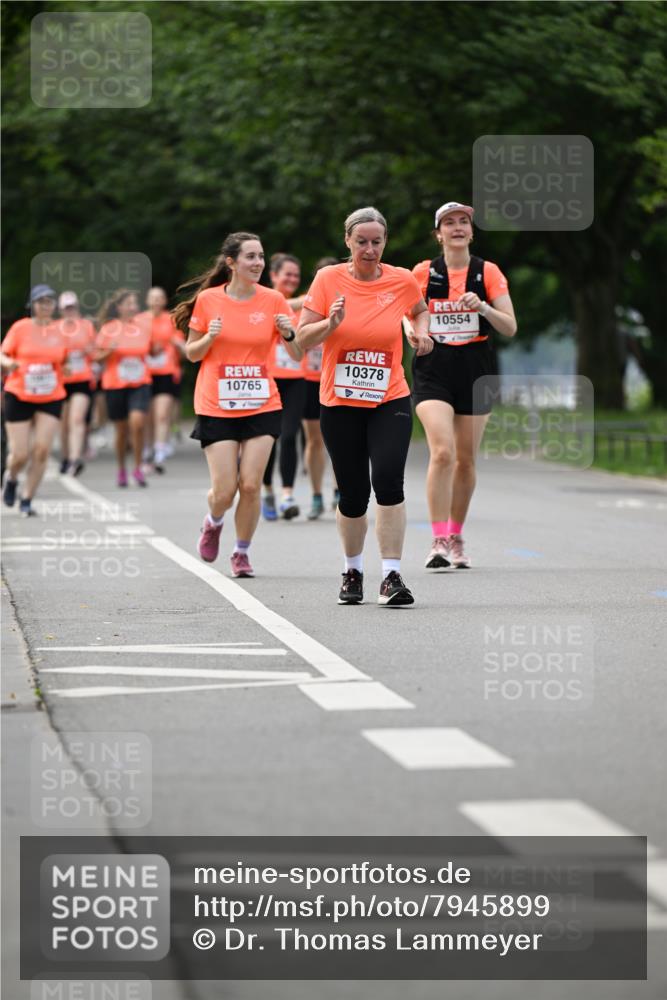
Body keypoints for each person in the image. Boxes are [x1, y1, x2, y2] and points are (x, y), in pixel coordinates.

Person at [297, 207, 433, 607]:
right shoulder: (327, 279)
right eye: (362, 242)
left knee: (389, 482)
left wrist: (422, 335)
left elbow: (419, 311)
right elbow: (303, 339)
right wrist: (330, 324)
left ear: (385, 242)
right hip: (339, 401)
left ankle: (391, 576)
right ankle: (352, 570)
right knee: (354, 493)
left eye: (376, 242)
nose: (369, 249)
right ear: (348, 242)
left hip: (389, 396)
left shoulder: (402, 279)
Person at [173, 232, 301, 578]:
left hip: (262, 401)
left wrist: (289, 333)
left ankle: (241, 553)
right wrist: (210, 337)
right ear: (231, 263)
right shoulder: (210, 300)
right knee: (225, 490)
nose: (258, 262)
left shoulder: (274, 300)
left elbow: (298, 354)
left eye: (261, 256)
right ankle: (213, 521)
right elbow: (192, 353)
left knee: (250, 485)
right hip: (217, 404)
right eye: (250, 257)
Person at [411, 201, 517, 570]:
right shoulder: (424, 272)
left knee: (466, 460)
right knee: (442, 452)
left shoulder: (487, 272)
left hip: (475, 367)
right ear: (438, 233)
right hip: (433, 367)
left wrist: (484, 308)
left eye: (463, 222)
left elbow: (510, 326)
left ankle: (456, 534)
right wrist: (415, 333)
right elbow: (405, 317)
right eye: (449, 223)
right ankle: (438, 539)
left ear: (472, 232)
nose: (457, 227)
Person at [1, 284, 66, 516]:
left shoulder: (60, 331)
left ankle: (27, 497)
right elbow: (3, 353)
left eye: (50, 301)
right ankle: (11, 478)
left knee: (41, 450)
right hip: (20, 393)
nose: (45, 306)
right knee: (20, 454)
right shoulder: (21, 328)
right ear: (32, 305)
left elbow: (68, 360)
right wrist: (8, 364)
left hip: (50, 395)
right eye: (41, 301)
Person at [261, 253, 306, 521]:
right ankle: (267, 489)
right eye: (286, 274)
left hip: (296, 379)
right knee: (269, 438)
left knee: (290, 436)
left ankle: (287, 494)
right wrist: (299, 302)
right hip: (267, 379)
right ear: (274, 276)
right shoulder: (263, 301)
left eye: (296, 275)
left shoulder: (303, 307)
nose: (291, 279)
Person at [95, 289, 155, 488]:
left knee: (137, 424)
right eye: (128, 304)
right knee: (121, 431)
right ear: (119, 307)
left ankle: (137, 468)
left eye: (134, 304)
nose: (133, 307)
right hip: (115, 384)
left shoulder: (143, 327)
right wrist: (108, 351)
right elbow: (96, 357)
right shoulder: (108, 329)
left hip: (140, 383)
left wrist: (158, 348)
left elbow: (152, 350)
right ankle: (121, 468)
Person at [301, 256, 338, 519]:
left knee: (339, 441)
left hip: (339, 381)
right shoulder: (307, 305)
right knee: (315, 441)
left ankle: (339, 491)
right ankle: (316, 495)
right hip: (310, 381)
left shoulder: (347, 303)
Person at [136, 287, 186, 473]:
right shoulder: (139, 320)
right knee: (147, 415)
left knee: (162, 413)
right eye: (153, 298)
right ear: (147, 301)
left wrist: (181, 347)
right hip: (144, 374)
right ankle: (147, 449)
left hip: (166, 372)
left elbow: (179, 344)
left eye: (160, 298)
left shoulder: (170, 320)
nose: (156, 301)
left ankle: (159, 450)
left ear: (164, 301)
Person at [56, 291, 96, 476]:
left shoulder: (86, 326)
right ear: (61, 310)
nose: (70, 311)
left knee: (77, 419)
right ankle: (65, 457)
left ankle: (74, 459)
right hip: (60, 382)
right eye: (66, 308)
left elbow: (95, 351)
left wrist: (89, 350)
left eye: (72, 307)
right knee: (63, 423)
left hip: (82, 379)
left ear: (77, 307)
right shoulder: (55, 327)